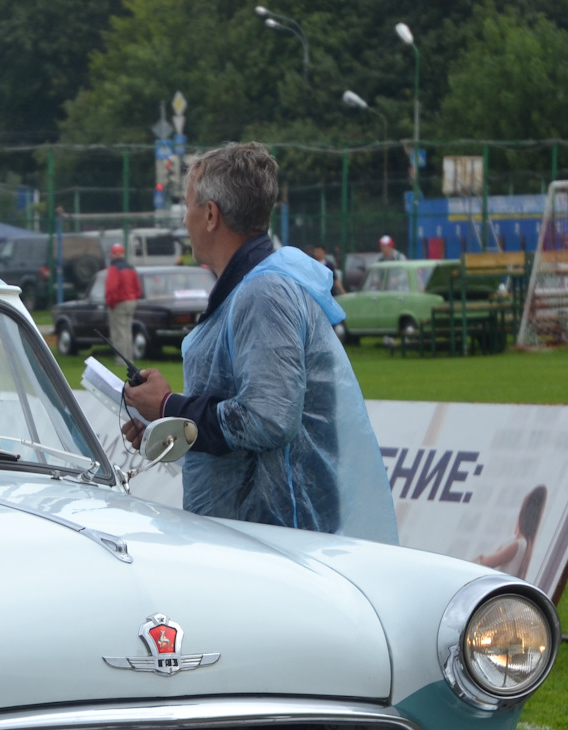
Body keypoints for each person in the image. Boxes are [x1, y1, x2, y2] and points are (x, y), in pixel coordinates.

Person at [121, 143, 397, 543]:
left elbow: (268, 418)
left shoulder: (265, 292)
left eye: (188, 208)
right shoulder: (255, 285)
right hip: (252, 534)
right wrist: (167, 423)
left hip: (278, 540)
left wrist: (170, 406)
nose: (184, 221)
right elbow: (242, 408)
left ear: (211, 214)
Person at [104, 242, 143, 360]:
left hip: (119, 303)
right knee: (127, 332)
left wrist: (111, 303)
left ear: (113, 254)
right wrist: (134, 297)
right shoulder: (130, 268)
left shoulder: (114, 269)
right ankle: (129, 357)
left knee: (119, 333)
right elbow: (138, 288)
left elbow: (111, 288)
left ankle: (122, 360)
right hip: (131, 301)